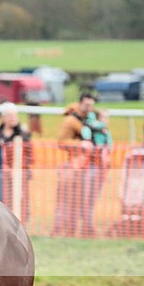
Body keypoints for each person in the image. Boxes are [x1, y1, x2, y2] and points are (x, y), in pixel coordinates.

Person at [54, 93, 97, 237]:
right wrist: (81, 145)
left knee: (86, 201)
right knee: (68, 200)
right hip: (73, 167)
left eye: (91, 105)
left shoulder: (91, 119)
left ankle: (85, 229)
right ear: (80, 104)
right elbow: (61, 142)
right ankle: (63, 229)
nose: (89, 108)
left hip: (89, 166)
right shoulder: (71, 121)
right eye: (86, 105)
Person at [0, 102, 32, 222]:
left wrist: (17, 168)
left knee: (20, 200)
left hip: (19, 174)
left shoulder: (23, 134)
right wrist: (2, 166)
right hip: (0, 175)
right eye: (10, 116)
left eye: (15, 115)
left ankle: (21, 222)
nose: (13, 118)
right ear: (4, 118)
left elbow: (29, 155)